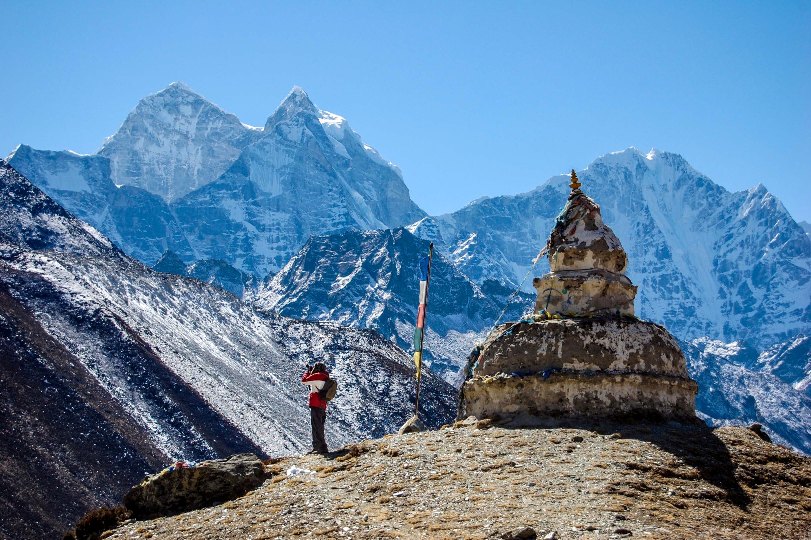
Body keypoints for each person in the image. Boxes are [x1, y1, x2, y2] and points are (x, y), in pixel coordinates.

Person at [301, 362, 329, 454]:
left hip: (316, 404)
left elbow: (304, 381)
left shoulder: (317, 376)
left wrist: (308, 372)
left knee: (316, 426)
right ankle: (323, 447)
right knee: (320, 426)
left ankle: (318, 447)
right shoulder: (325, 377)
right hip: (322, 405)